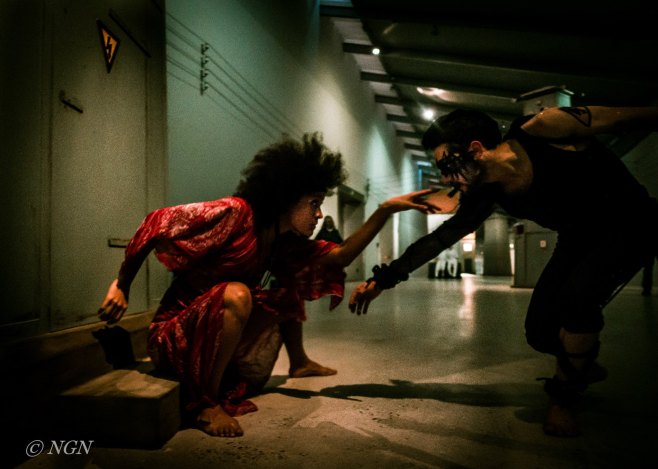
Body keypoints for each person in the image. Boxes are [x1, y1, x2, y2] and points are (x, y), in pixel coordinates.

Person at [98, 132, 436, 438]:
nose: (319, 215)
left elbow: (340, 256)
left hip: (210, 338)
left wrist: (385, 210)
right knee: (238, 294)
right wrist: (122, 285)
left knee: (285, 287)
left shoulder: (278, 241)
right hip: (172, 338)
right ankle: (206, 404)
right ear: (286, 198)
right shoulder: (236, 213)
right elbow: (156, 222)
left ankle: (299, 361)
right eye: (314, 204)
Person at [348, 106, 658, 437]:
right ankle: (580, 361)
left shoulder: (543, 128)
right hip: (577, 238)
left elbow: (625, 117)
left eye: (447, 166)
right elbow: (439, 239)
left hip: (631, 224)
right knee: (539, 332)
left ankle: (563, 400)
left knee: (578, 300)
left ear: (476, 149)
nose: (446, 179)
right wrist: (382, 280)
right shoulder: (485, 194)